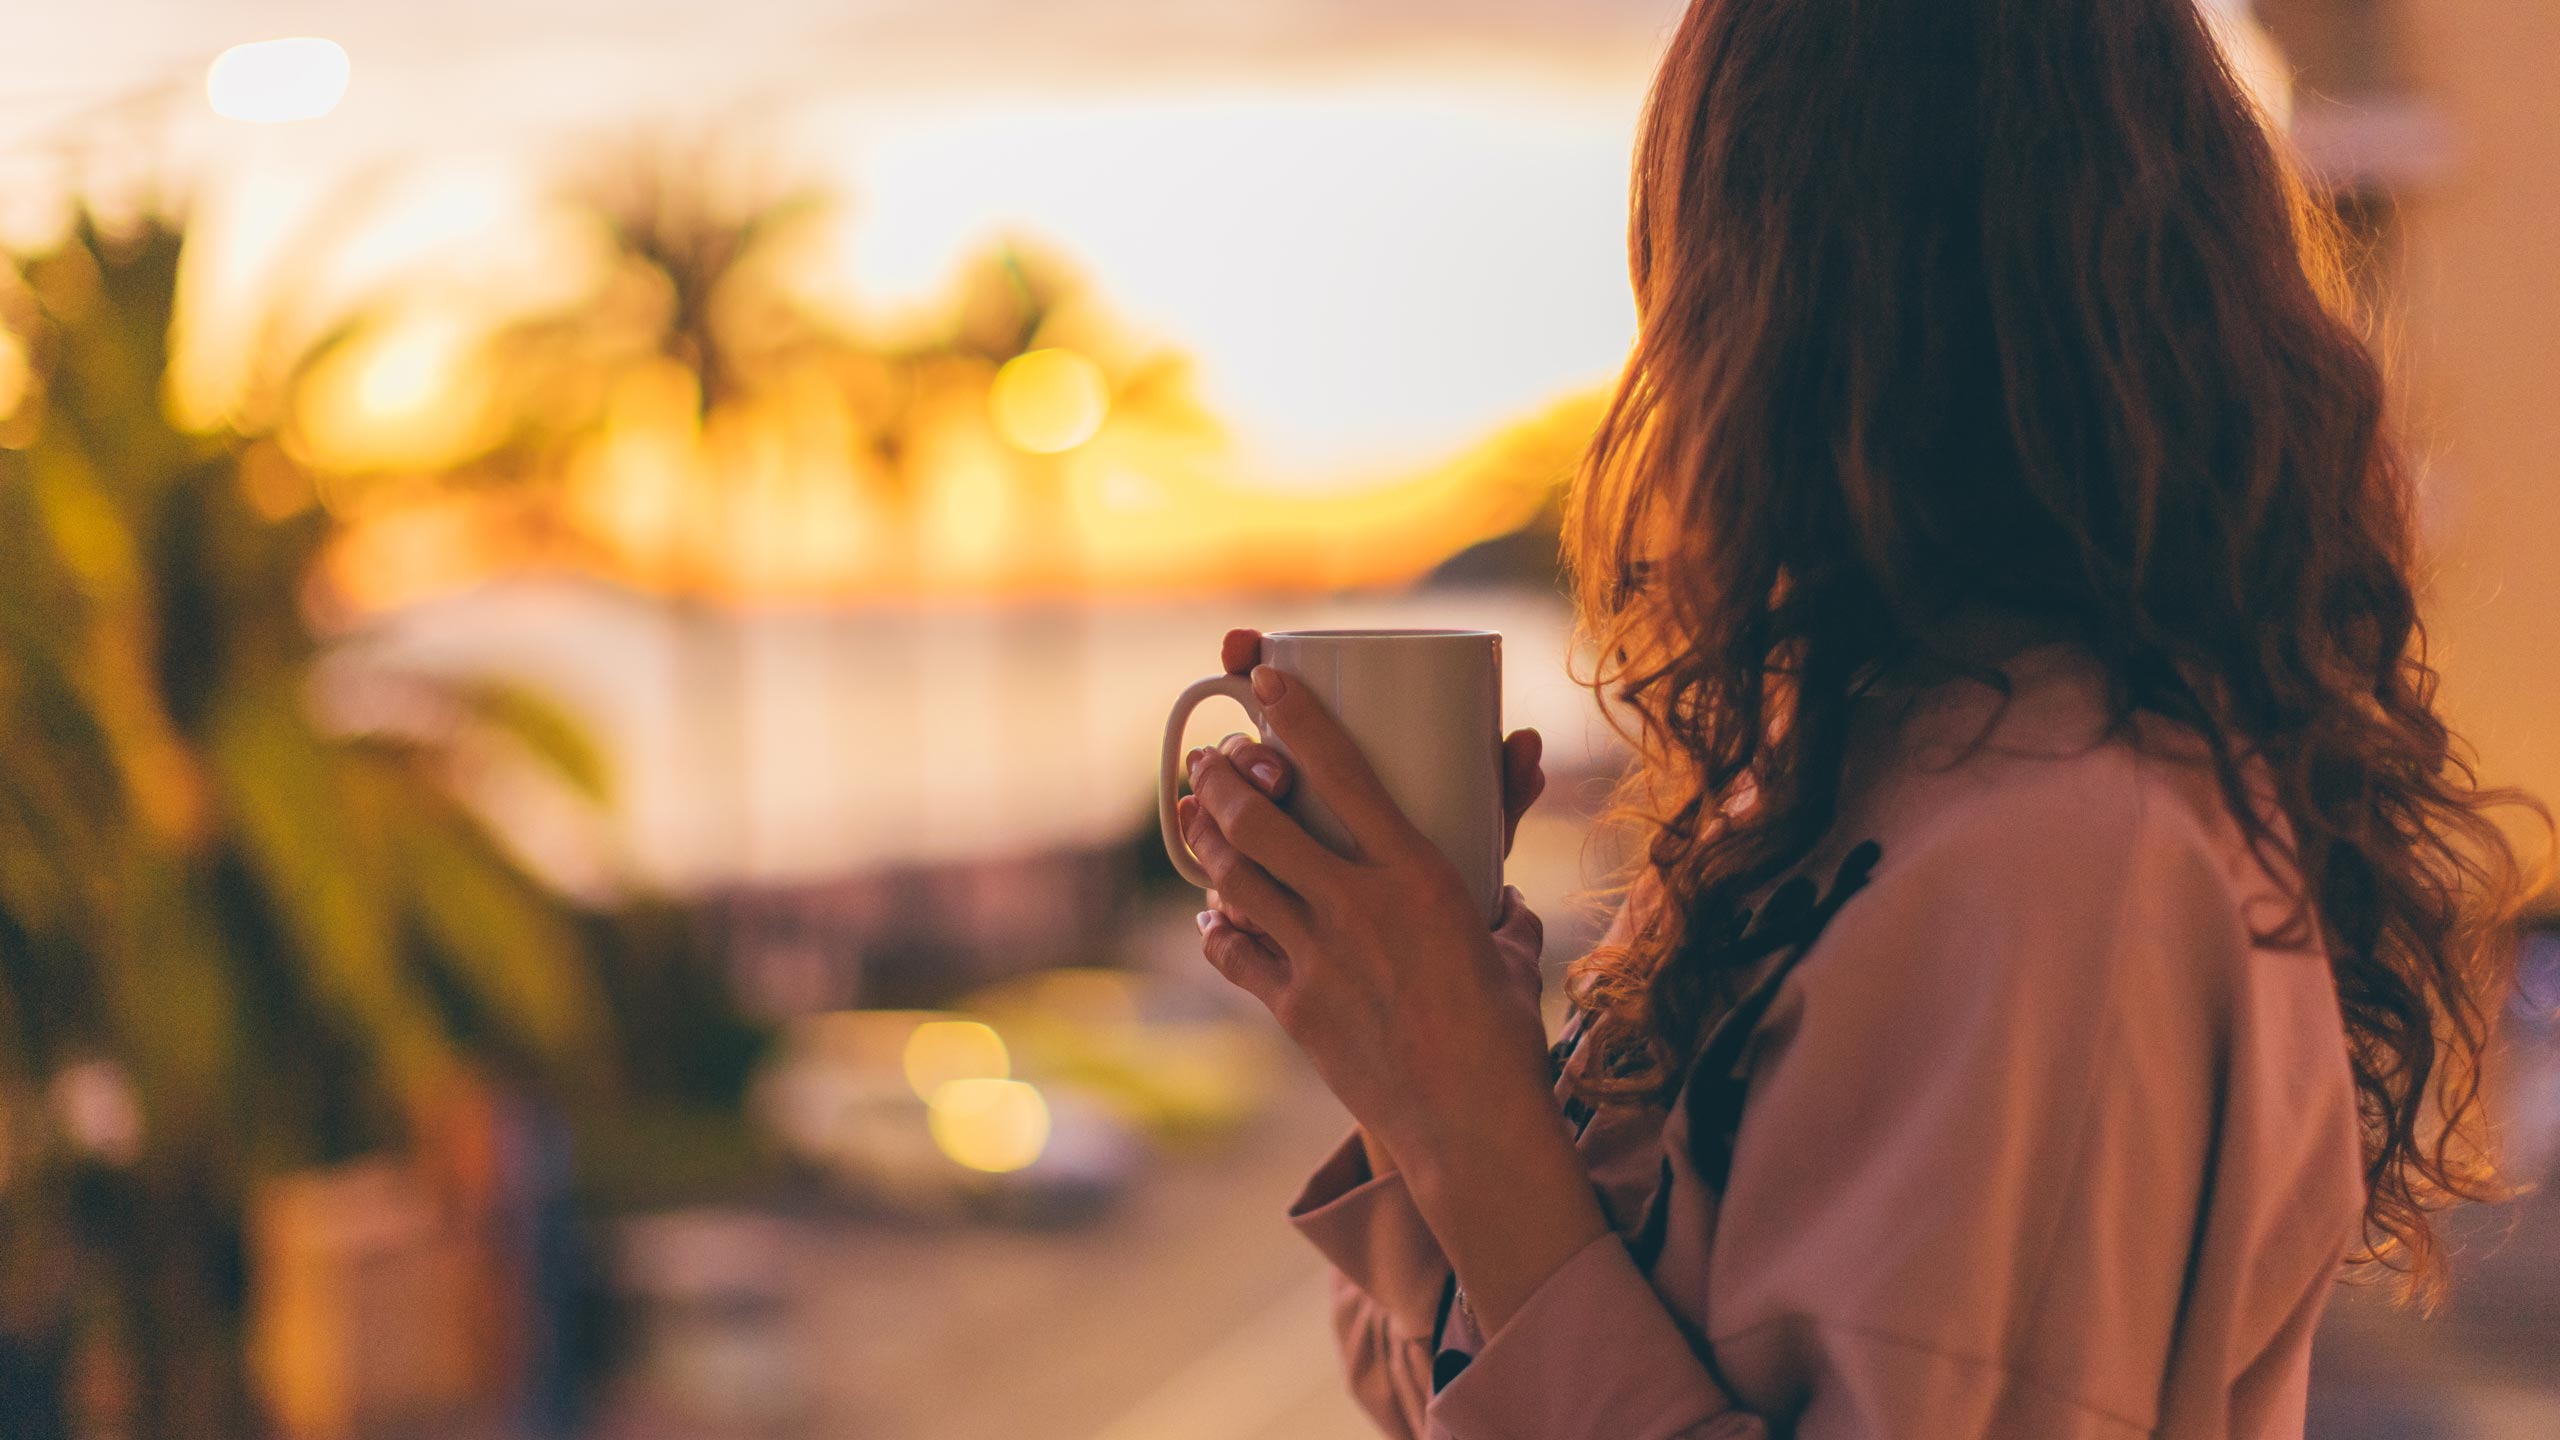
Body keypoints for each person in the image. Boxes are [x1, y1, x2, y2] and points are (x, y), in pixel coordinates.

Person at [1169, 0, 2541, 1436]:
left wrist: (1461, 1106)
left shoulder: (2068, 860)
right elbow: (1449, 1390)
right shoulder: (1834, 799)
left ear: (1794, 288)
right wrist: (1429, 1047)